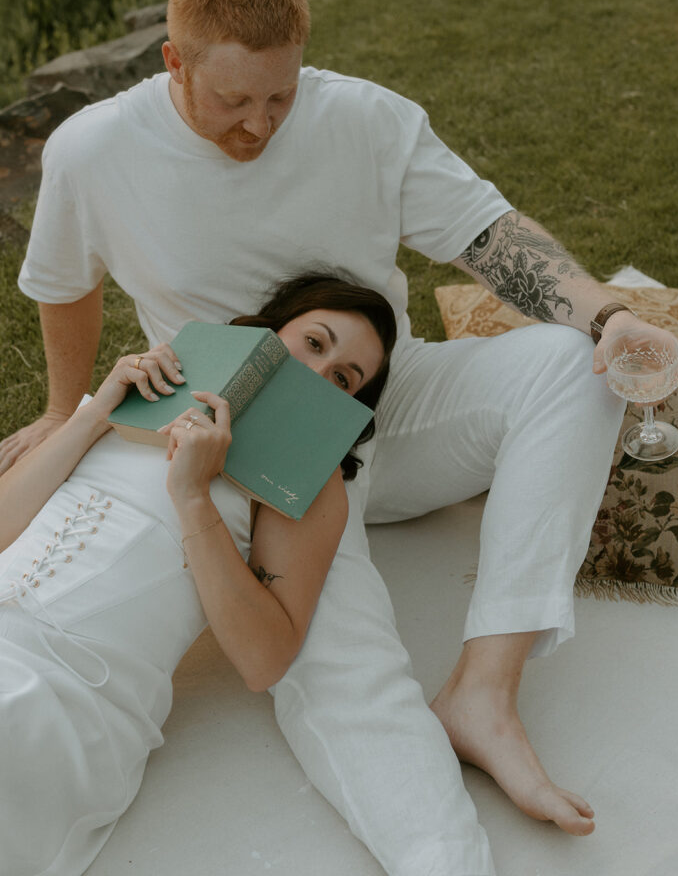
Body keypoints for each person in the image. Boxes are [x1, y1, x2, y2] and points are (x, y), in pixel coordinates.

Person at [2, 0, 678, 874]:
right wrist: (61, 410)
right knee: (347, 674)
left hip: (386, 402)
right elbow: (60, 282)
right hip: (246, 441)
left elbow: (490, 237)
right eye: (233, 100)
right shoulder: (96, 148)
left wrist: (606, 314)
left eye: (279, 95)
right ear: (173, 61)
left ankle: (486, 687)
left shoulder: (367, 120)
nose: (260, 124)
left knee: (572, 365)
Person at [0, 272, 397, 876]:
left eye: (343, 379)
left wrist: (193, 496)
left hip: (68, 691)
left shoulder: (307, 487)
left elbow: (265, 658)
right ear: (270, 332)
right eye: (315, 343)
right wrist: (93, 415)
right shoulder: (152, 386)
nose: (319, 374)